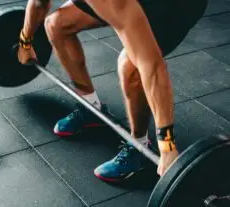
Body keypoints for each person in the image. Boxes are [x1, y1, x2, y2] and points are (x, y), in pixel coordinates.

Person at [18, 0, 208, 182]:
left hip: (173, 5)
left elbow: (152, 65)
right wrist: (25, 42)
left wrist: (167, 145)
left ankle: (140, 146)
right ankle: (91, 107)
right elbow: (38, 3)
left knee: (131, 66)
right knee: (56, 24)